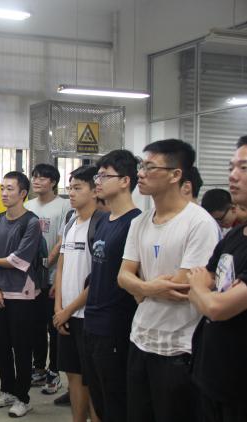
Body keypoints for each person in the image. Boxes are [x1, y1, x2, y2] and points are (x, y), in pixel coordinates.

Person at [118, 139, 220, 422]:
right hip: (140, 338)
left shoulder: (199, 223)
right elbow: (123, 276)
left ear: (176, 175)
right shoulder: (139, 222)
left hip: (178, 348)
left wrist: (139, 288)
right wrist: (148, 287)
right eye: (141, 165)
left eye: (150, 167)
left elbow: (182, 287)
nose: (141, 173)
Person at [188, 135, 247, 422]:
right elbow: (198, 282)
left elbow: (215, 307)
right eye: (231, 166)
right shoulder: (235, 235)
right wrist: (206, 291)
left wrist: (206, 293)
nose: (233, 175)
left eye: (244, 168)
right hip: (212, 375)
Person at [82, 150, 141, 422]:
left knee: (117, 401)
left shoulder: (136, 222)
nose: (98, 182)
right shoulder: (104, 221)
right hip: (92, 322)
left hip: (116, 326)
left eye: (105, 176)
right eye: (98, 176)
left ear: (125, 181)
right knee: (99, 399)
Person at [0, 171, 42, 417]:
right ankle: (7, 390)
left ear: (23, 193)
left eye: (10, 189)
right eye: (2, 189)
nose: (4, 193)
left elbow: (19, 260)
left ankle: (23, 397)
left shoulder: (32, 222)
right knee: (1, 345)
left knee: (22, 347)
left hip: (22, 295)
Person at [53, 165, 102, 422]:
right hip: (66, 313)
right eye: (70, 187)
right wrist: (58, 308)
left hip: (87, 315)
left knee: (93, 379)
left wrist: (68, 310)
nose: (71, 193)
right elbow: (61, 267)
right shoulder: (71, 222)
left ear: (95, 191)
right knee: (73, 375)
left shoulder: (101, 224)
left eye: (78, 188)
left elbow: (99, 279)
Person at [25, 163, 70, 394]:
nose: (37, 181)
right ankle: (39, 367)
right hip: (31, 278)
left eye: (42, 178)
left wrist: (46, 264)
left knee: (53, 326)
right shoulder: (28, 206)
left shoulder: (64, 206)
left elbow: (62, 241)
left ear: (53, 182)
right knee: (35, 325)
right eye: (34, 177)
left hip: (52, 277)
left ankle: (54, 371)